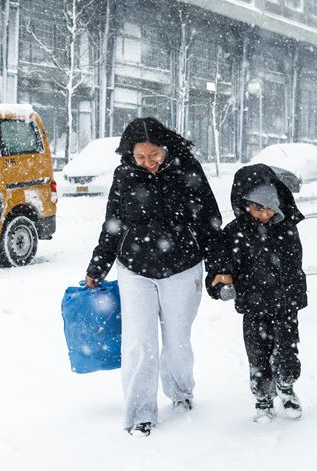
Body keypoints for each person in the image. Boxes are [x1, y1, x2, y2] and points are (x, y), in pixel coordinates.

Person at [84, 117, 226, 437]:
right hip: (134, 268)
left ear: (165, 148)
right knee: (138, 343)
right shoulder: (124, 175)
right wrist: (98, 265)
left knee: (176, 341)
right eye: (141, 158)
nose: (148, 163)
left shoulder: (187, 170)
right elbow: (113, 222)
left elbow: (209, 220)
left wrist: (220, 267)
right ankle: (140, 411)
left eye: (155, 156)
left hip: (182, 267)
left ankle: (181, 393)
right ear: (129, 154)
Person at [207, 163, 308, 423]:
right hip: (254, 306)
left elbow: (294, 263)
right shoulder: (233, 232)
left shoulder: (286, 227)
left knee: (286, 350)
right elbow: (220, 266)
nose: (264, 214)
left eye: (269, 208)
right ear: (245, 205)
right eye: (257, 208)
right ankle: (263, 399)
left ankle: (286, 388)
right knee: (258, 354)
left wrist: (294, 293)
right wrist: (220, 285)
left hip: (285, 304)